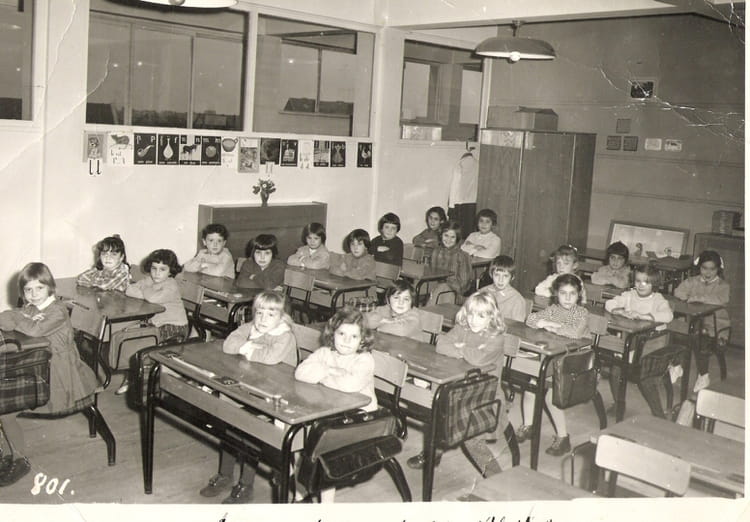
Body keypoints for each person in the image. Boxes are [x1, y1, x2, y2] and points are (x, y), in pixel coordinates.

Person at [0, 263, 99, 484]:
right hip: (40, 365)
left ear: (50, 288)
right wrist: (22, 317)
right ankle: (11, 454)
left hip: (61, 376)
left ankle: (20, 459)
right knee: (4, 402)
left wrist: (21, 319)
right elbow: (4, 317)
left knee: (6, 410)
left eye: (39, 288)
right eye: (28, 290)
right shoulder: (32, 308)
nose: (33, 295)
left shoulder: (57, 310)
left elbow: (33, 329)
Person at [199, 291, 297, 504]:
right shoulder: (251, 327)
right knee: (229, 421)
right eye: (259, 313)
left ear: (282, 317)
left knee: (250, 430)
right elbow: (228, 345)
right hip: (252, 384)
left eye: (270, 314)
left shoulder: (285, 335)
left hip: (277, 396)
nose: (262, 319)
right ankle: (225, 475)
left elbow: (271, 358)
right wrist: (250, 346)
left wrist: (247, 348)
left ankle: (246, 484)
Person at [408, 292, 518, 476]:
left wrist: (460, 347)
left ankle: (495, 477)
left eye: (481, 316)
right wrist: (466, 350)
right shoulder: (463, 328)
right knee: (439, 411)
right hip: (460, 389)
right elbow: (441, 344)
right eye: (471, 314)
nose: (474, 320)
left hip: (485, 395)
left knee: (471, 439)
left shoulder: (496, 338)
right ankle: (434, 453)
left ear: (492, 317)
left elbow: (479, 359)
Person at [294, 307, 375, 502]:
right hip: (330, 411)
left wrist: (320, 375)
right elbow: (300, 372)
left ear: (362, 340)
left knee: (324, 443)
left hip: (360, 420)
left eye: (354, 336)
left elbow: (349, 385)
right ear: (332, 334)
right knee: (292, 432)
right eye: (341, 334)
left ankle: (326, 505)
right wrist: (330, 371)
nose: (346, 340)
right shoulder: (324, 353)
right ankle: (300, 490)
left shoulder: (365, 359)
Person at [524, 274, 590, 456]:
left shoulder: (581, 313)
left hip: (575, 360)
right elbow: (530, 319)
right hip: (555, 356)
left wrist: (550, 326)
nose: (567, 298)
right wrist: (545, 322)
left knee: (550, 396)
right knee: (530, 386)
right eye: (563, 293)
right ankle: (528, 426)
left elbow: (575, 333)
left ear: (579, 295)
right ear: (556, 294)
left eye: (572, 294)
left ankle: (563, 437)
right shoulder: (553, 309)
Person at [117, 249, 190, 395]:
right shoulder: (150, 280)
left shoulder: (171, 285)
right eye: (154, 268)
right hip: (157, 324)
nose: (157, 273)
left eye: (162, 269)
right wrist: (147, 290)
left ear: (170, 271)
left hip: (175, 327)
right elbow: (130, 290)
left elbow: (152, 298)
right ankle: (133, 377)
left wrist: (145, 289)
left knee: (143, 344)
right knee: (129, 337)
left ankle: (142, 381)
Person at [673, 250, 731, 392]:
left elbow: (721, 300)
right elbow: (678, 292)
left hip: (714, 326)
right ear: (699, 267)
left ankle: (703, 374)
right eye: (704, 268)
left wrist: (698, 298)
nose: (708, 272)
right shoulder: (692, 281)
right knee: (676, 331)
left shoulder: (723, 285)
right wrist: (686, 296)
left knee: (699, 338)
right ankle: (676, 365)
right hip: (693, 322)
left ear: (718, 269)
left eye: (712, 269)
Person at [426, 221, 473, 306]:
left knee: (443, 289)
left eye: (452, 237)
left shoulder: (463, 256)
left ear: (457, 238)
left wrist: (447, 285)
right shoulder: (436, 252)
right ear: (441, 235)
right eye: (446, 235)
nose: (448, 240)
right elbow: (432, 275)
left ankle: (428, 312)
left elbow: (464, 284)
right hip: (436, 288)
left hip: (456, 293)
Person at [480, 255, 527, 322]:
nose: (500, 280)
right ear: (491, 274)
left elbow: (517, 327)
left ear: (512, 277)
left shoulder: (517, 300)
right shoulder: (482, 292)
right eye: (497, 275)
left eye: (505, 276)